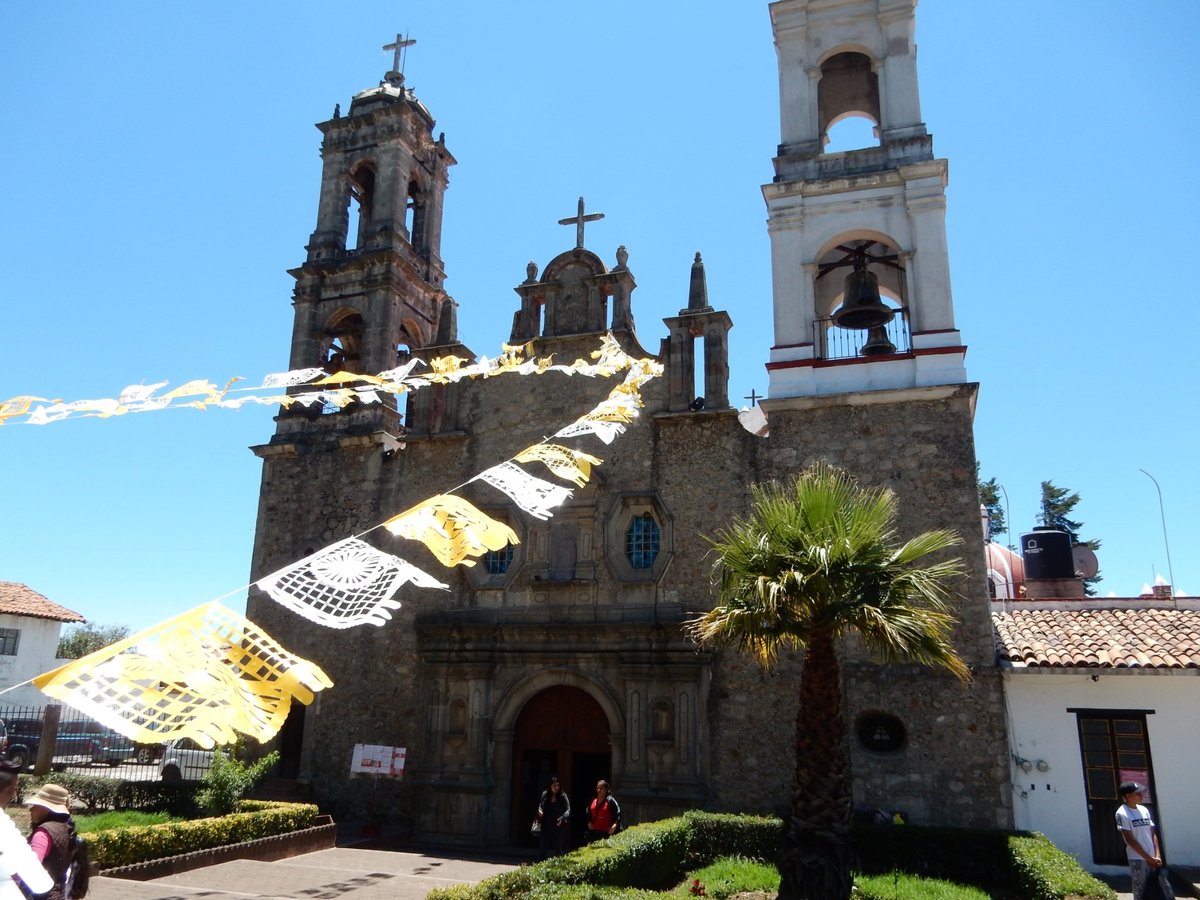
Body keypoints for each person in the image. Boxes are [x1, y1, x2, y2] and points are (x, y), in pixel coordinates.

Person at [27, 783, 86, 900]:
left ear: (46, 808)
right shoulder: (66, 829)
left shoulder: (42, 834)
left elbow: (31, 868)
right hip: (59, 893)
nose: (31, 809)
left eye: (36, 805)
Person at [1115, 781, 1170, 900]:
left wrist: (1158, 855)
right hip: (1138, 859)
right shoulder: (1122, 813)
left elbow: (1152, 833)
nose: (1141, 796)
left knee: (1160, 889)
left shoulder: (1144, 809)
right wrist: (1148, 858)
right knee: (1141, 891)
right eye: (1137, 793)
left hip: (1154, 858)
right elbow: (1130, 840)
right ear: (1128, 796)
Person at [536, 775, 570, 858]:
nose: (556, 788)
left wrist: (563, 817)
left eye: (558, 785)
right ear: (550, 786)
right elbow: (540, 805)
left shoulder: (562, 796)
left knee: (558, 848)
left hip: (558, 825)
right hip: (546, 824)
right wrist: (540, 810)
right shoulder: (545, 794)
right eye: (554, 785)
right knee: (543, 848)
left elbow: (568, 809)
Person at [584, 779, 621, 843]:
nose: (599, 790)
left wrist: (614, 826)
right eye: (598, 788)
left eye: (601, 788)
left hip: (606, 833)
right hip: (594, 833)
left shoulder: (610, 801)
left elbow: (618, 814)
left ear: (606, 789)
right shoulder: (593, 800)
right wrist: (589, 822)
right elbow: (588, 811)